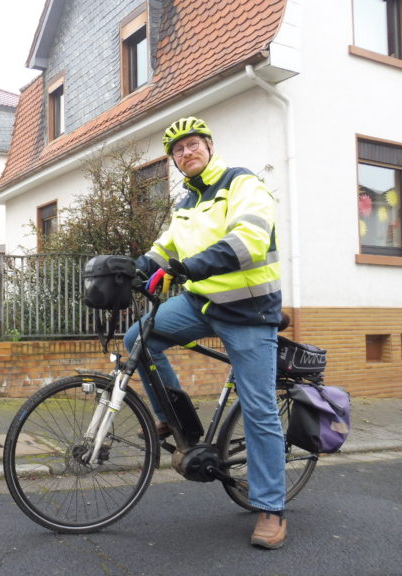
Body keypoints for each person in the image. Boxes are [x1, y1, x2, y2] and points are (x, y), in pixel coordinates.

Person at [123, 117, 287, 549]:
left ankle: (271, 507)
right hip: (203, 304)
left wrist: (191, 267)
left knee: (258, 408)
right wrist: (135, 269)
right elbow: (167, 248)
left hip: (248, 310)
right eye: (178, 150)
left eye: (192, 144)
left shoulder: (242, 184)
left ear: (209, 147)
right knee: (138, 339)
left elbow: (249, 239)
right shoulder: (187, 202)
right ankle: (173, 420)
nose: (186, 153)